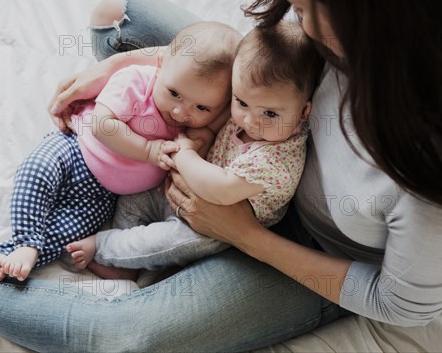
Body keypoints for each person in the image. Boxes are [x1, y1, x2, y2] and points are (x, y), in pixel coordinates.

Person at [0, 0, 442, 352]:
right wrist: (132, 65)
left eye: (303, 8)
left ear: (381, 16)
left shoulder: (435, 166)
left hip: (303, 242)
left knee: (116, 337)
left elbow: (400, 304)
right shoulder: (331, 38)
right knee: (118, 14)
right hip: (260, 120)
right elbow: (270, 55)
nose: (292, 14)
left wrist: (244, 234)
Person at [0, 21, 241, 282]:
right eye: (174, 93)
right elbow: (103, 125)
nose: (181, 112)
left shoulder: (195, 125)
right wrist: (149, 150)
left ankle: (2, 258)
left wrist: (197, 142)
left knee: (68, 233)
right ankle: (26, 240)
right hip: (75, 150)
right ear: (159, 64)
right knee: (38, 170)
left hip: (102, 195)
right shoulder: (137, 81)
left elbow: (207, 137)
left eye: (202, 108)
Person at [67, 23, 324, 277]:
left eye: (269, 113)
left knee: (172, 242)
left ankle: (105, 247)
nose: (249, 120)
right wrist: (200, 139)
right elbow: (204, 95)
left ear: (304, 111)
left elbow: (222, 189)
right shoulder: (253, 107)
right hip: (182, 186)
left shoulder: (277, 159)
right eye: (241, 102)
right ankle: (124, 267)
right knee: (134, 201)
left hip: (217, 224)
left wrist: (185, 154)